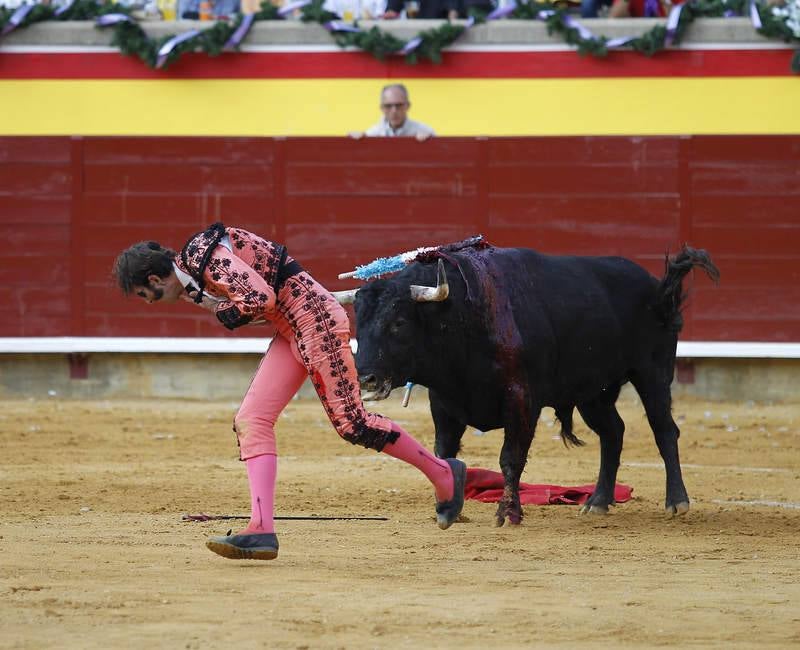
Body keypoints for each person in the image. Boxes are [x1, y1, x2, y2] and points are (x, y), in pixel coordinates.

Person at [112, 223, 466, 561]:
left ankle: (444, 474)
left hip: (316, 322)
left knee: (352, 423)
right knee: (251, 420)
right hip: (292, 328)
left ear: (155, 279)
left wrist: (225, 313)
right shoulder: (195, 277)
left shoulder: (201, 255)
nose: (148, 303)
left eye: (145, 294)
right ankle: (261, 527)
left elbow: (258, 297)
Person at [351, 84, 435, 141]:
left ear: (408, 106)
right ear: (382, 108)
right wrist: (353, 141)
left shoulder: (424, 131)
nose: (394, 111)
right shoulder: (373, 134)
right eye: (388, 106)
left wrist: (430, 141)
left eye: (398, 105)